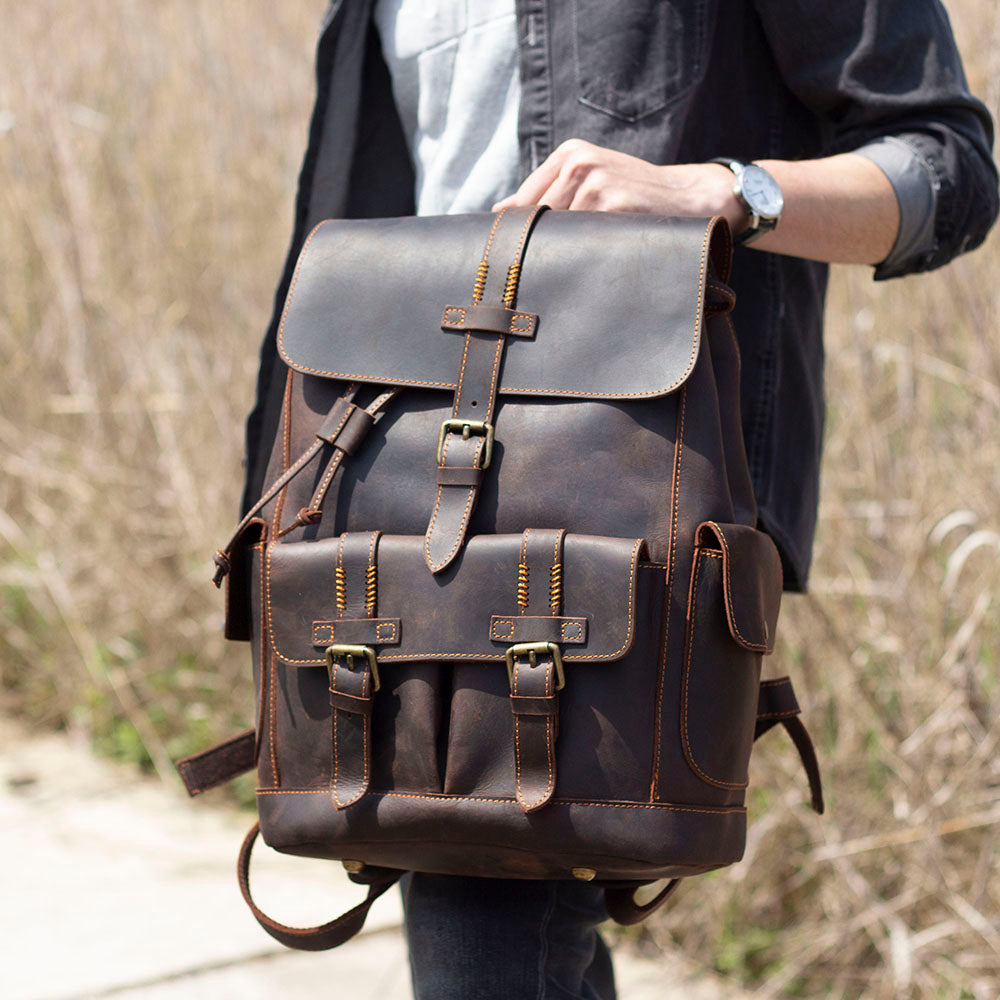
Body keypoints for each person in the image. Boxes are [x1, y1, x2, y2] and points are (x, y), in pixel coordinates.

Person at [240, 2, 998, 997]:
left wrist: (724, 191)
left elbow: (949, 170)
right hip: (385, 511)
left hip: (626, 512)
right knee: (492, 918)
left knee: (484, 916)